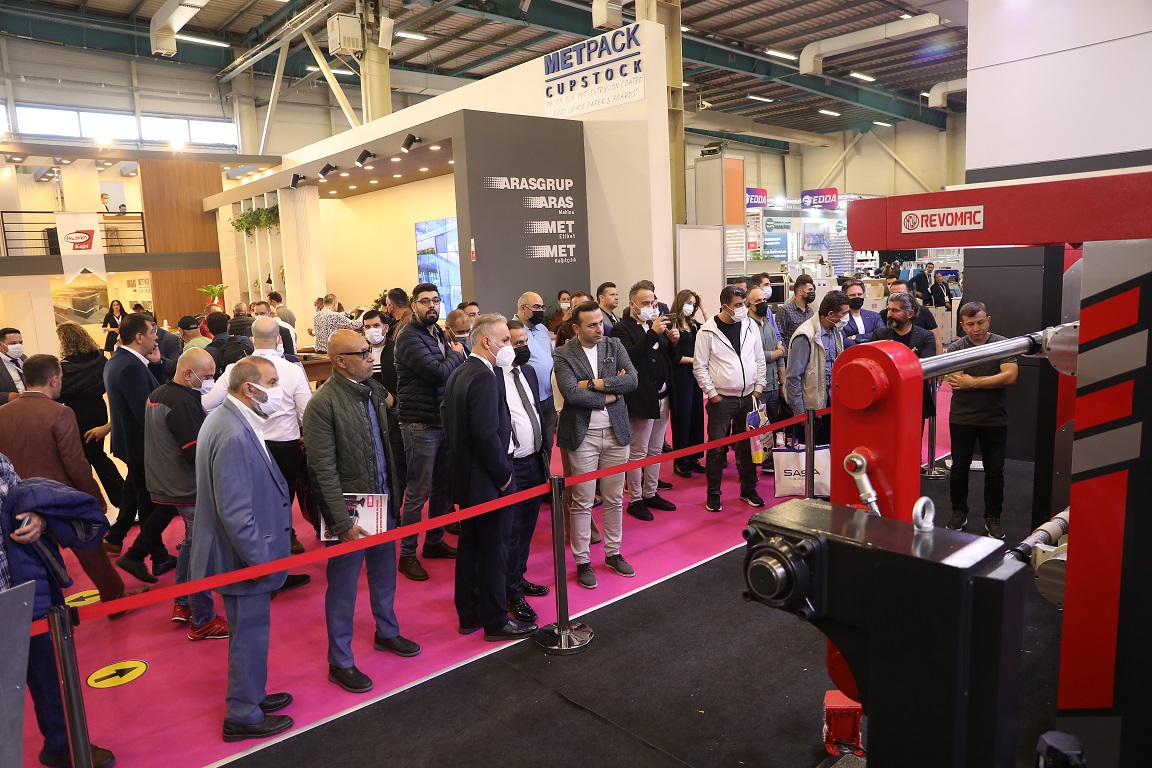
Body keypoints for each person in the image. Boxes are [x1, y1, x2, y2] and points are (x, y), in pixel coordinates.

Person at [303, 330, 420, 692]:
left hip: (382, 500)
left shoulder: (371, 390)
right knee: (343, 587)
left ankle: (387, 631)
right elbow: (322, 470)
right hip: (351, 508)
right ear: (340, 361)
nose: (371, 357)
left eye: (370, 351)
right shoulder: (322, 404)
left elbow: (387, 444)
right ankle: (340, 661)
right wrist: (341, 521)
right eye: (363, 353)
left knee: (384, 574)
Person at [189, 356, 294, 741]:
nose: (278, 390)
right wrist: (262, 563)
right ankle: (243, 715)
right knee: (248, 637)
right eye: (272, 382)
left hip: (240, 555)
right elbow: (236, 513)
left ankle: (253, 695)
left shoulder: (230, 419)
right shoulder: (233, 432)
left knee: (249, 635)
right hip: (243, 559)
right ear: (249, 388)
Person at [0, 354, 143, 619]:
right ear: (54, 380)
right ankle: (114, 600)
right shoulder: (60, 412)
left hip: (19, 503)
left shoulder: (3, 413)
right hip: (59, 499)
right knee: (92, 552)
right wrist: (95, 501)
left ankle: (47, 617)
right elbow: (76, 464)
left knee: (37, 562)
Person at [0, 455, 118, 768]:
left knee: (49, 676)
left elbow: (21, 500)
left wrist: (38, 520)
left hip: (21, 588)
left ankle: (62, 745)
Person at [443, 315, 537, 640]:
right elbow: (485, 434)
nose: (510, 346)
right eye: (506, 340)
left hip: (469, 477)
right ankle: (495, 620)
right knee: (494, 551)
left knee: (471, 547)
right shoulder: (483, 376)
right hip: (488, 478)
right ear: (487, 342)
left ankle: (468, 613)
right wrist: (503, 477)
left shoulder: (460, 371)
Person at [204, 317, 313, 555]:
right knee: (284, 495)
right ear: (279, 339)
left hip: (249, 441)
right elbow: (307, 413)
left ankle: (257, 542)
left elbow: (207, 403)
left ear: (252, 340)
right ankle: (286, 536)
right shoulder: (293, 370)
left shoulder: (237, 368)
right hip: (286, 443)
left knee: (252, 497)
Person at [553, 301, 638, 589]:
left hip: (616, 433)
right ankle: (582, 561)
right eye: (592, 325)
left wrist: (592, 384)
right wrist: (611, 393)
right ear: (576, 328)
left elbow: (632, 381)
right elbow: (571, 393)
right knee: (582, 501)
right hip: (583, 435)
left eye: (600, 322)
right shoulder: (563, 353)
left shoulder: (614, 345)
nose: (599, 328)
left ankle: (613, 553)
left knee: (614, 498)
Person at [145, 348, 228, 638]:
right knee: (201, 550)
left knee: (192, 545)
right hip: (188, 486)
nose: (211, 381)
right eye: (207, 376)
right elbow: (195, 451)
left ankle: (184, 602)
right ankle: (202, 618)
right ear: (188, 373)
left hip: (168, 483)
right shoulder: (182, 402)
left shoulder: (161, 393)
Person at [393, 283, 465, 580]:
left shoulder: (437, 332)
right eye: (425, 301)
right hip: (420, 423)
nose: (432, 305)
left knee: (442, 488)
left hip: (442, 420)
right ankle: (407, 554)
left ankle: (434, 541)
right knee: (418, 492)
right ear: (414, 306)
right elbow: (437, 373)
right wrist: (457, 354)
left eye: (436, 300)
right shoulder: (409, 336)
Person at [104, 313, 178, 580]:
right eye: (152, 332)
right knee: (160, 501)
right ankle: (147, 555)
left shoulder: (121, 361)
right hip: (142, 446)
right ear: (139, 337)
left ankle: (152, 554)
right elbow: (146, 411)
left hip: (132, 444)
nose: (156, 338)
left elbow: (146, 396)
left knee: (144, 499)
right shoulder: (130, 366)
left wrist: (155, 365)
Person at [944, 302, 1018, 540]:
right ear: (962, 325)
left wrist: (973, 382)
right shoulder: (956, 347)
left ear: (988, 320)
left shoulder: (1001, 344)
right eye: (970, 324)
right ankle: (958, 512)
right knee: (959, 469)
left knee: (995, 472)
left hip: (993, 418)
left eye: (980, 322)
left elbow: (1010, 376)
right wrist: (990, 379)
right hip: (962, 417)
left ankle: (993, 517)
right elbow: (956, 380)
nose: (976, 328)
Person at [693, 285, 767, 513]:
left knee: (747, 448)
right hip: (722, 399)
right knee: (717, 449)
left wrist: (758, 387)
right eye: (738, 305)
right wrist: (712, 394)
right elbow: (699, 366)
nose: (744, 308)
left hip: (749, 397)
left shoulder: (750, 325)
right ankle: (713, 494)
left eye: (745, 304)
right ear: (725, 307)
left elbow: (759, 358)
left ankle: (748, 490)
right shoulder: (707, 331)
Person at [610, 282, 677, 521]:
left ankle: (651, 492)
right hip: (641, 397)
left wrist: (673, 340)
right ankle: (635, 499)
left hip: (663, 394)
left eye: (653, 303)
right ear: (632, 304)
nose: (651, 307)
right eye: (646, 303)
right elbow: (629, 358)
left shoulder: (653, 325)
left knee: (655, 448)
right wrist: (653, 334)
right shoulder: (621, 329)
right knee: (638, 451)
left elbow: (665, 356)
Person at [503, 319, 550, 622]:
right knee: (512, 530)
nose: (523, 348)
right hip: (512, 465)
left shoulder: (528, 372)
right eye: (516, 343)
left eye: (525, 342)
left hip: (534, 460)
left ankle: (519, 578)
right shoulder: (494, 377)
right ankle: (511, 592)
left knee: (528, 526)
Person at [56, 322, 123, 511]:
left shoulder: (66, 368)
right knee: (97, 455)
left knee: (85, 458)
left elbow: (60, 394)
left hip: (77, 413)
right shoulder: (100, 359)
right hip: (99, 408)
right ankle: (122, 497)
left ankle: (98, 501)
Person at [785, 290, 849, 448]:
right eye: (844, 313)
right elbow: (793, 376)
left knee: (829, 451)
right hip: (811, 408)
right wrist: (798, 410)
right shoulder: (805, 335)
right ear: (831, 314)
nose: (846, 317)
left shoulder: (835, 332)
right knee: (812, 454)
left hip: (832, 403)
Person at [869, 292, 937, 420]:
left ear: (910, 314)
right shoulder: (879, 335)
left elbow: (925, 366)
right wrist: (907, 359)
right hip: (885, 397)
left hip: (914, 397)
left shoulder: (925, 336)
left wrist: (891, 362)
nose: (889, 314)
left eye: (895, 310)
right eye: (889, 309)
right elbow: (871, 365)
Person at [514, 291, 558, 458]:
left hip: (548, 396)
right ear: (523, 308)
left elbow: (549, 356)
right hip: (527, 398)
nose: (541, 311)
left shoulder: (543, 329)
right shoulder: (512, 330)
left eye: (542, 307)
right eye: (536, 307)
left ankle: (546, 473)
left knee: (548, 443)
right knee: (529, 444)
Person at [747, 286, 786, 470]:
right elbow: (755, 356)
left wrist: (782, 382)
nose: (763, 304)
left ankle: (769, 461)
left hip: (773, 384)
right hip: (757, 386)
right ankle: (749, 464)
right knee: (755, 428)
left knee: (772, 424)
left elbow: (781, 355)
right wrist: (777, 353)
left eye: (764, 300)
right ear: (749, 305)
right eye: (758, 301)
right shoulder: (747, 327)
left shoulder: (769, 325)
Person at [668, 289, 705, 478]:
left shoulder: (694, 325)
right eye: (688, 303)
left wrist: (702, 306)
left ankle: (694, 457)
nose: (691, 306)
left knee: (696, 415)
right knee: (682, 418)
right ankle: (680, 460)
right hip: (680, 375)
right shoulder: (671, 325)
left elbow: (710, 329)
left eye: (693, 303)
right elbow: (672, 355)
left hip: (695, 375)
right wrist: (694, 360)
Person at [881, 278, 942, 354]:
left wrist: (939, 359)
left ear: (910, 294)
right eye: (893, 294)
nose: (896, 298)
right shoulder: (885, 314)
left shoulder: (923, 312)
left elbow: (936, 339)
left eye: (901, 294)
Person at [776, 275, 815, 356]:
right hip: (792, 356)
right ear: (800, 292)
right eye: (810, 290)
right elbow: (779, 335)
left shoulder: (810, 312)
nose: (813, 293)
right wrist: (787, 354)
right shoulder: (785, 310)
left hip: (809, 355)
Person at [841, 279, 884, 347]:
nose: (857, 297)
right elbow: (842, 341)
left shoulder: (875, 316)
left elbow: (882, 334)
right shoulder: (840, 318)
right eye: (852, 295)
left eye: (860, 294)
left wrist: (855, 337)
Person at [1, 326, 27, 402]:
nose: (18, 346)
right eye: (13, 343)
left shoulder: (24, 358)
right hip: (8, 407)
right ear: (1, 346)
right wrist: (6, 397)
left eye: (20, 342)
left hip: (30, 404)